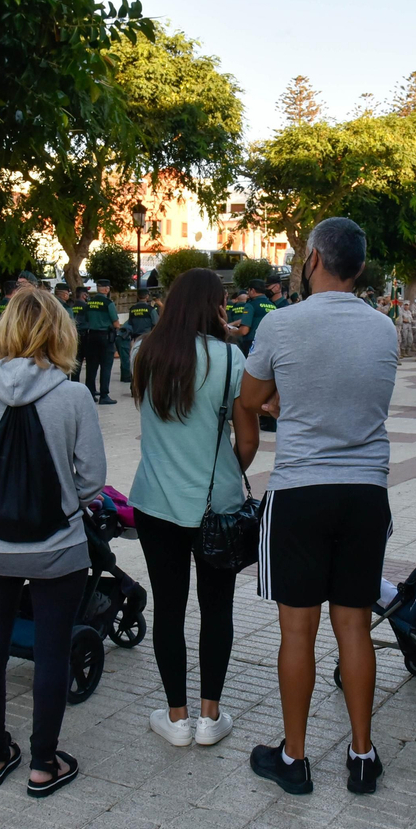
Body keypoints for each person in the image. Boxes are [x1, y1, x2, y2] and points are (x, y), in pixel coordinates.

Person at [239, 217, 398, 797]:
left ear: (312, 259)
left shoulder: (282, 324)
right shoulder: (384, 328)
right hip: (365, 491)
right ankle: (362, 755)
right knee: (353, 623)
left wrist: (280, 415)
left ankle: (294, 757)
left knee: (297, 629)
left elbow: (250, 400)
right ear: (357, 267)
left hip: (301, 492)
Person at [0, 287, 106, 798]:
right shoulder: (74, 395)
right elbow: (92, 480)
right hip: (58, 546)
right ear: (60, 332)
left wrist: (0, 506)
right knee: (52, 650)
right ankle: (44, 764)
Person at [130, 269, 260, 748]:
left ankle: (176, 717)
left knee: (169, 608)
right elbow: (247, 438)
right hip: (217, 504)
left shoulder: (144, 352)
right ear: (213, 305)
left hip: (155, 501)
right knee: (216, 608)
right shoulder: (231, 358)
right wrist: (229, 465)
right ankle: (210, 717)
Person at [80, 279, 120, 404]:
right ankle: (104, 395)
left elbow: (85, 320)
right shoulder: (108, 303)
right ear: (106, 289)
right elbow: (116, 323)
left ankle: (90, 393)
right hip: (105, 337)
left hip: (91, 336)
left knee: (91, 366)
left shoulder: (89, 303)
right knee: (106, 366)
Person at [124, 288, 157, 373]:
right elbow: (156, 323)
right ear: (147, 296)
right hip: (148, 338)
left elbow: (130, 323)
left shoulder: (132, 309)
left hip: (135, 338)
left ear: (138, 297)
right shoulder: (150, 309)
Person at [243, 279, 277, 353]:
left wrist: (233, 332)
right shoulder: (273, 305)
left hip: (253, 344)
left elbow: (244, 331)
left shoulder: (251, 305)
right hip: (271, 343)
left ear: (252, 290)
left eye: (248, 290)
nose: (247, 293)